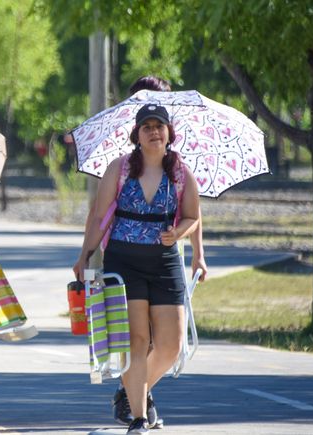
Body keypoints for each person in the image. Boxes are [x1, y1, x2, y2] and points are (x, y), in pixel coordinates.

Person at [85, 76, 208, 429]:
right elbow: (98, 217)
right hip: (124, 261)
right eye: (147, 127)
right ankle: (139, 417)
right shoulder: (120, 168)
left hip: (165, 262)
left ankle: (132, 391)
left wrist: (188, 243)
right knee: (137, 341)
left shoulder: (182, 173)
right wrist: (84, 257)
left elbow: (193, 216)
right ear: (136, 133)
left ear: (170, 132)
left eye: (159, 126)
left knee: (170, 345)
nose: (154, 132)